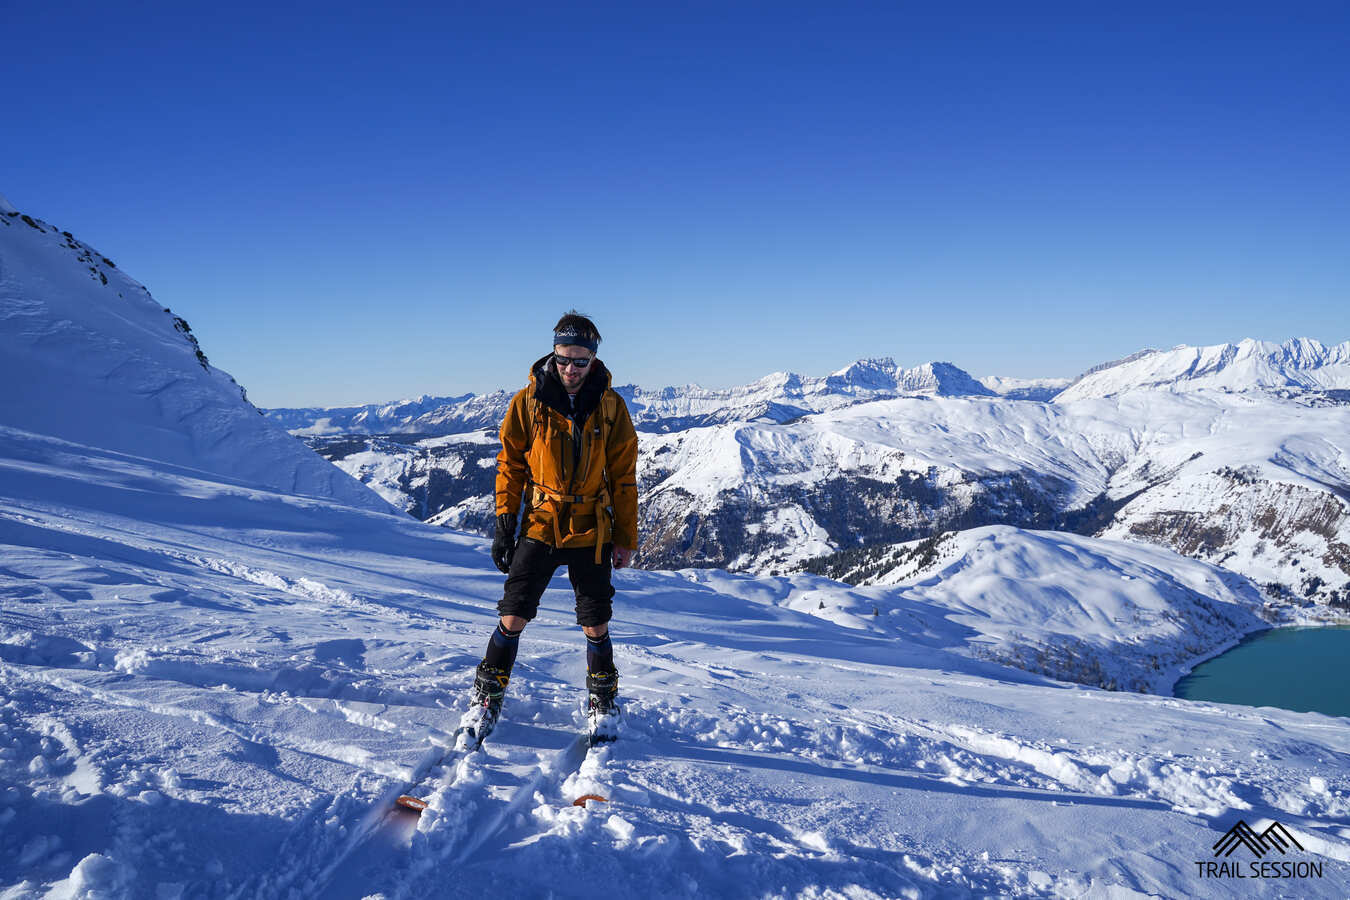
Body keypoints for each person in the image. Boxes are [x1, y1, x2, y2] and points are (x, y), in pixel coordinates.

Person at [463, 311, 639, 743]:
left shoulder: (612, 407)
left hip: (592, 525)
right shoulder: (528, 402)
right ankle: (486, 697)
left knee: (595, 620)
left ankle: (603, 702)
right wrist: (505, 521)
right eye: (564, 359)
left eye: (580, 361)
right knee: (513, 612)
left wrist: (625, 537)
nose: (571, 369)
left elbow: (623, 477)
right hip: (543, 520)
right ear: (553, 354)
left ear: (593, 359)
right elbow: (511, 464)